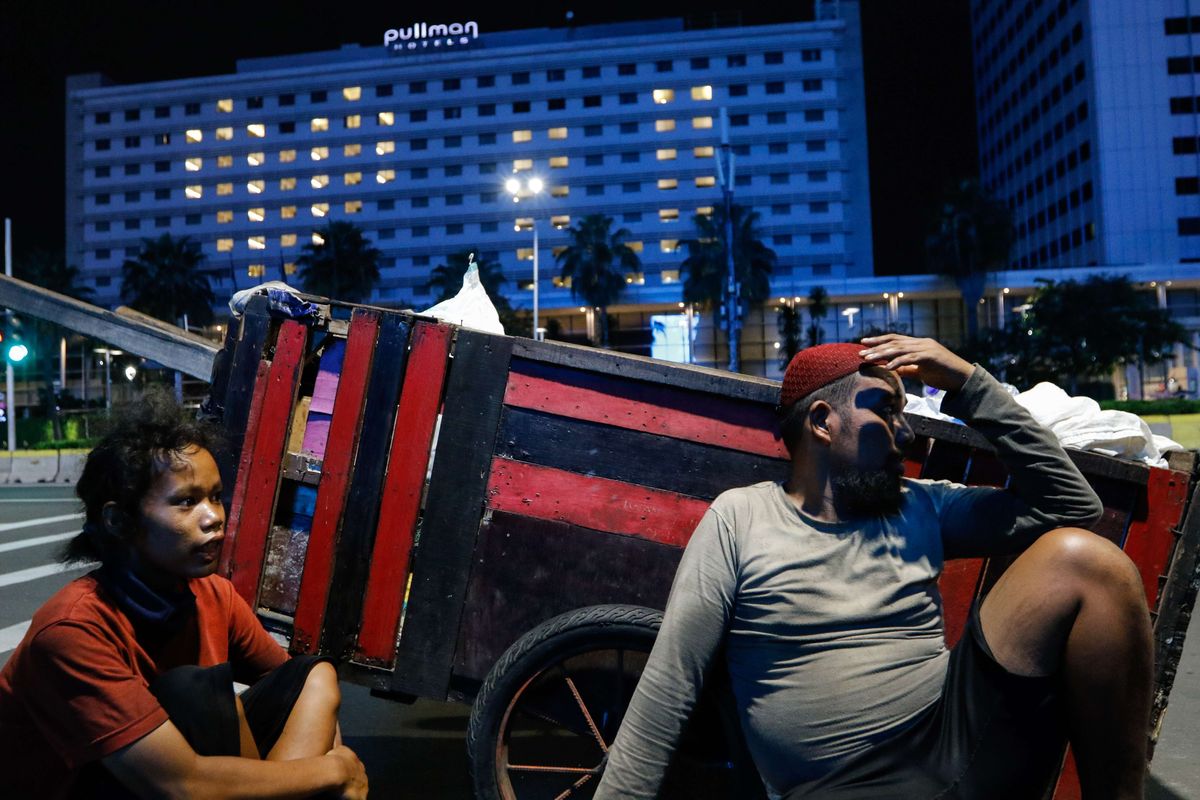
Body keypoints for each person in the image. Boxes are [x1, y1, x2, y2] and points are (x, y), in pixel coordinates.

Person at [595, 335, 1152, 800]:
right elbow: (670, 687)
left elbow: (1070, 507)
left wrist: (967, 381)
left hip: (957, 740)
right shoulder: (740, 518)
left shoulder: (921, 505)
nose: (906, 433)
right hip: (843, 787)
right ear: (822, 420)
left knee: (1084, 560)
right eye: (886, 411)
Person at [0, 391, 369, 799]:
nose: (214, 517)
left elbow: (293, 687)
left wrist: (327, 761)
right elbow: (180, 785)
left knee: (313, 675)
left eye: (215, 496)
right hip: (90, 788)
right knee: (194, 694)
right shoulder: (73, 629)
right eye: (186, 502)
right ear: (119, 520)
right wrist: (335, 771)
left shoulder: (214, 595)